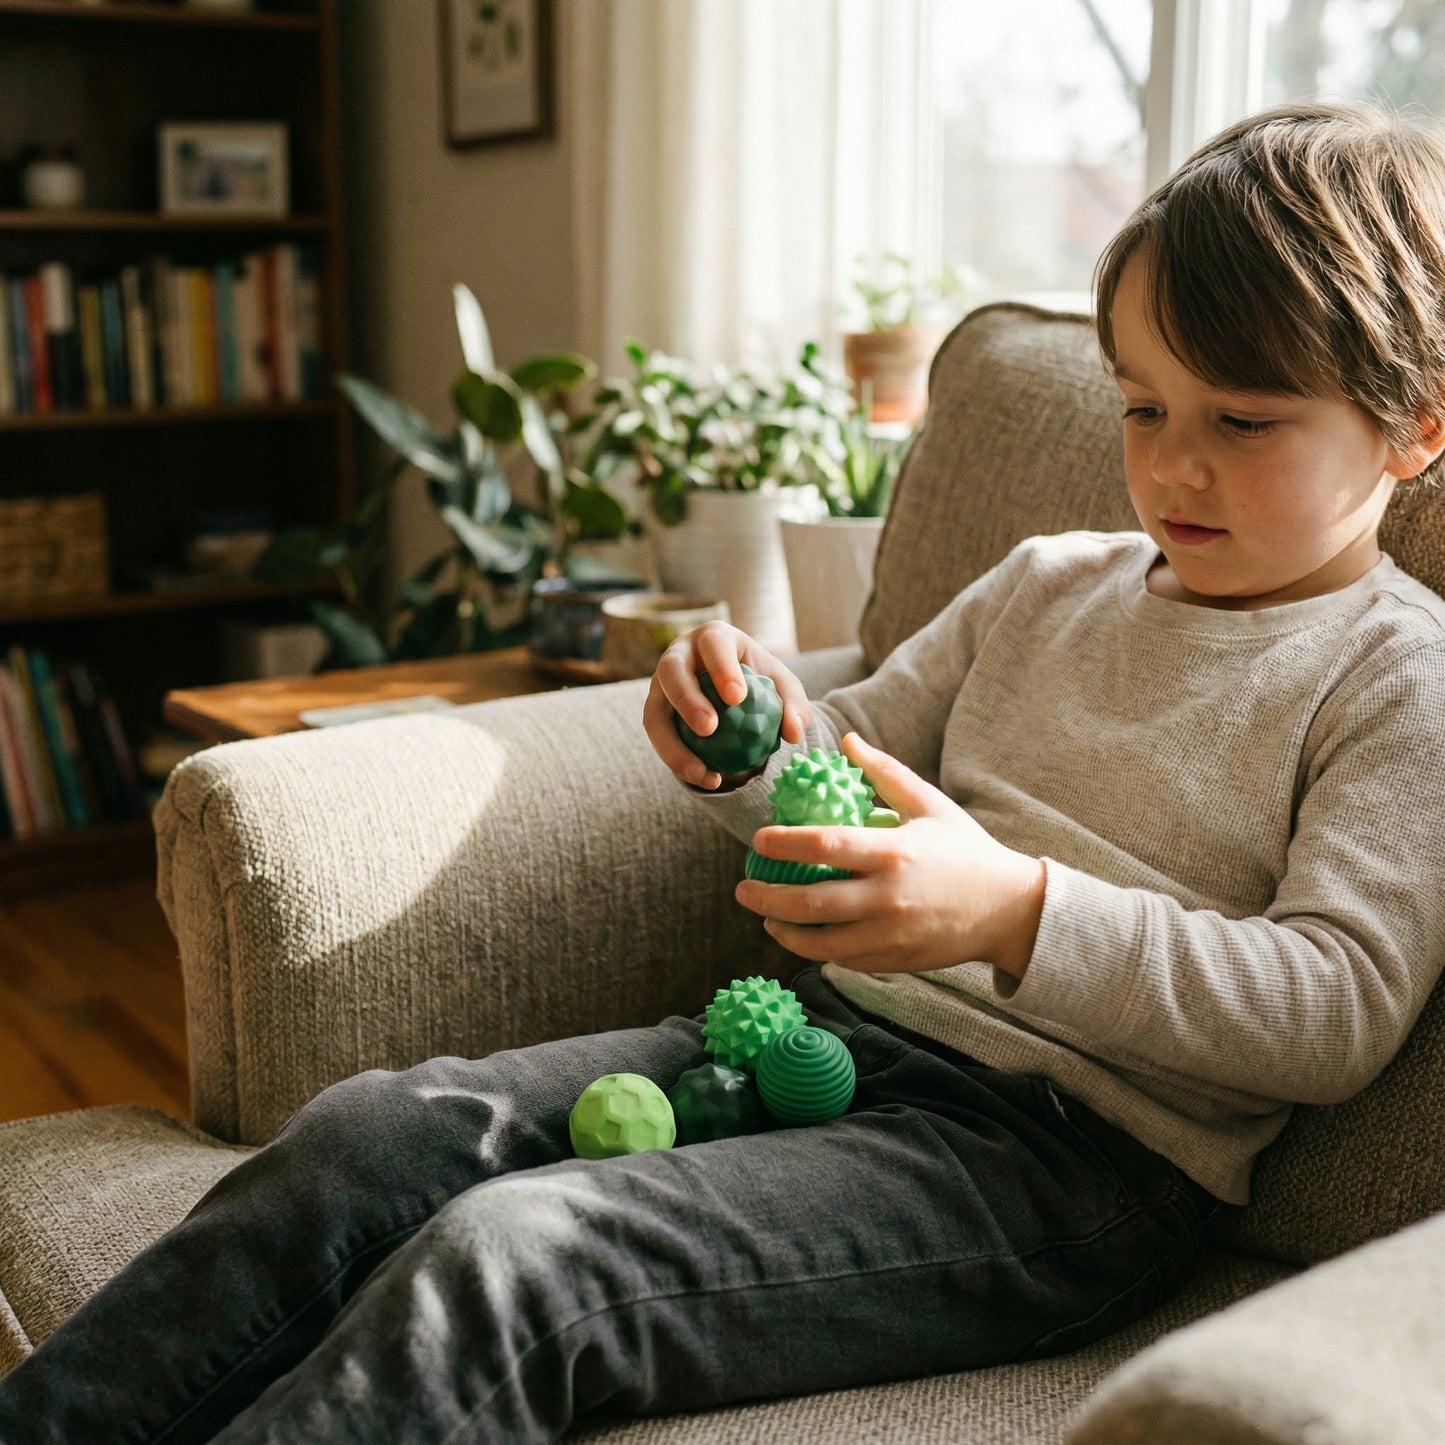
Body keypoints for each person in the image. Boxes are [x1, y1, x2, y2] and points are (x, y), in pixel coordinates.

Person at [6, 100, 1445, 1445]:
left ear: (1414, 425)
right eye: (1140, 408)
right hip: (816, 1040)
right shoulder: (1044, 584)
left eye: (1240, 422)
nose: (1170, 468)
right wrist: (745, 729)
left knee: (519, 1262)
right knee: (374, 1135)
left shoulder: (1396, 675)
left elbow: (1329, 1009)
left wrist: (1014, 913)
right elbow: (840, 767)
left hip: (1062, 1168)